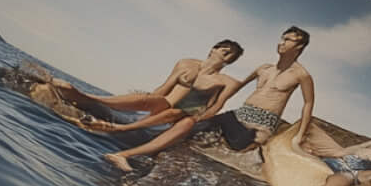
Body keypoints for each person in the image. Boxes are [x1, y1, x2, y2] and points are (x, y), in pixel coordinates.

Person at [107, 26, 316, 172]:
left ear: (299, 46)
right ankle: (127, 154)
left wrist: (298, 137)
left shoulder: (301, 75)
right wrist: (206, 107)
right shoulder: (264, 68)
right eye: (282, 38)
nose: (281, 43)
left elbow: (307, 105)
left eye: (288, 40)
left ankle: (134, 147)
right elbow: (235, 88)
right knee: (188, 124)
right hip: (235, 116)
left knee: (220, 137)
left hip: (259, 125)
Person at [68, 42, 244, 123]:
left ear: (231, 61)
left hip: (177, 116)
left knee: (164, 104)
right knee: (156, 99)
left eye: (231, 55)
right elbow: (165, 87)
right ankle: (89, 98)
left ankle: (87, 97)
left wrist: (193, 121)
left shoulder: (223, 81)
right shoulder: (186, 63)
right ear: (213, 48)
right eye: (225, 50)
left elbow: (215, 106)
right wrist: (144, 102)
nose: (227, 54)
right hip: (161, 105)